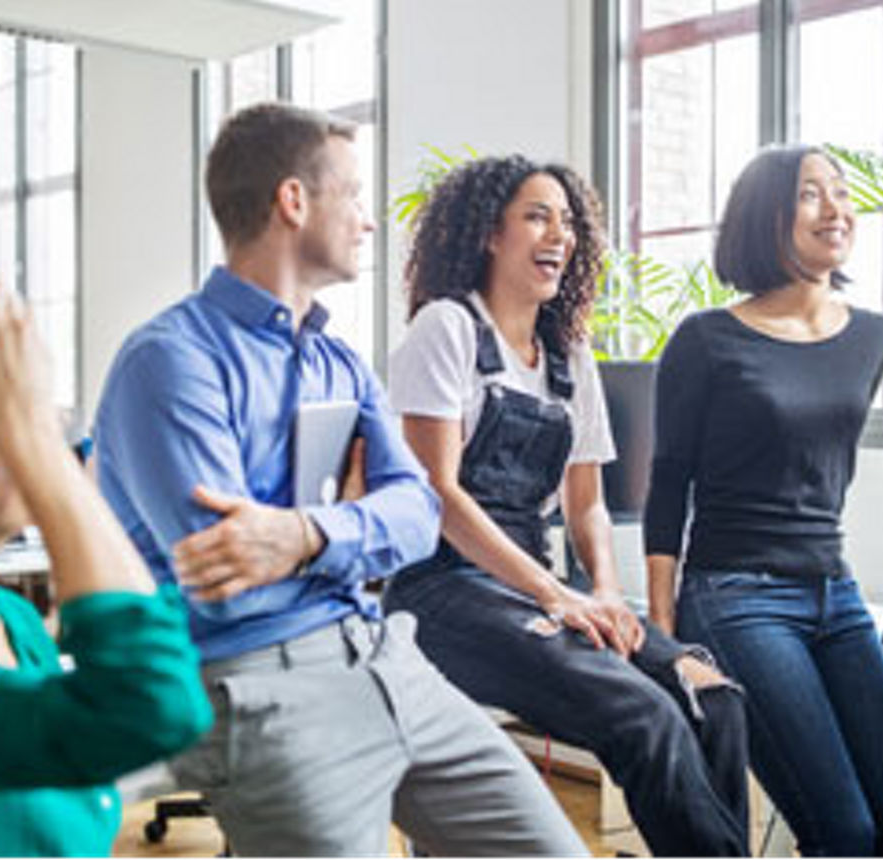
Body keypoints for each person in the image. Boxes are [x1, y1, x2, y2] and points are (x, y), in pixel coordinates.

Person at [94, 104, 584, 857]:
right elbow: (227, 575)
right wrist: (360, 529)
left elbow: (419, 516)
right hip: (270, 686)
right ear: (294, 201)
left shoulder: (339, 361)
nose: (370, 221)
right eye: (353, 196)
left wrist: (306, 532)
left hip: (390, 659)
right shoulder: (170, 360)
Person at [384, 154, 750, 856]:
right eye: (536, 216)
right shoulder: (448, 328)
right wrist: (558, 596)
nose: (561, 234)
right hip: (444, 593)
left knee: (717, 702)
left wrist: (608, 597)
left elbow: (586, 506)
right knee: (644, 714)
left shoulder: (568, 355)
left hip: (533, 593)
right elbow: (439, 494)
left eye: (568, 220)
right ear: (490, 233)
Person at [643, 144, 883, 856]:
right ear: (766, 217)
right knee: (845, 833)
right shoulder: (706, 339)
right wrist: (667, 638)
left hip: (836, 593)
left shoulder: (872, 336)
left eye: (840, 191)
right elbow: (669, 483)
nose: (836, 208)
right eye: (810, 194)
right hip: (736, 594)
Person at [0, 284, 211, 855]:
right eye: (1, 413)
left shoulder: (10, 617)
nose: (43, 427)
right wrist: (33, 437)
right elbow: (153, 702)